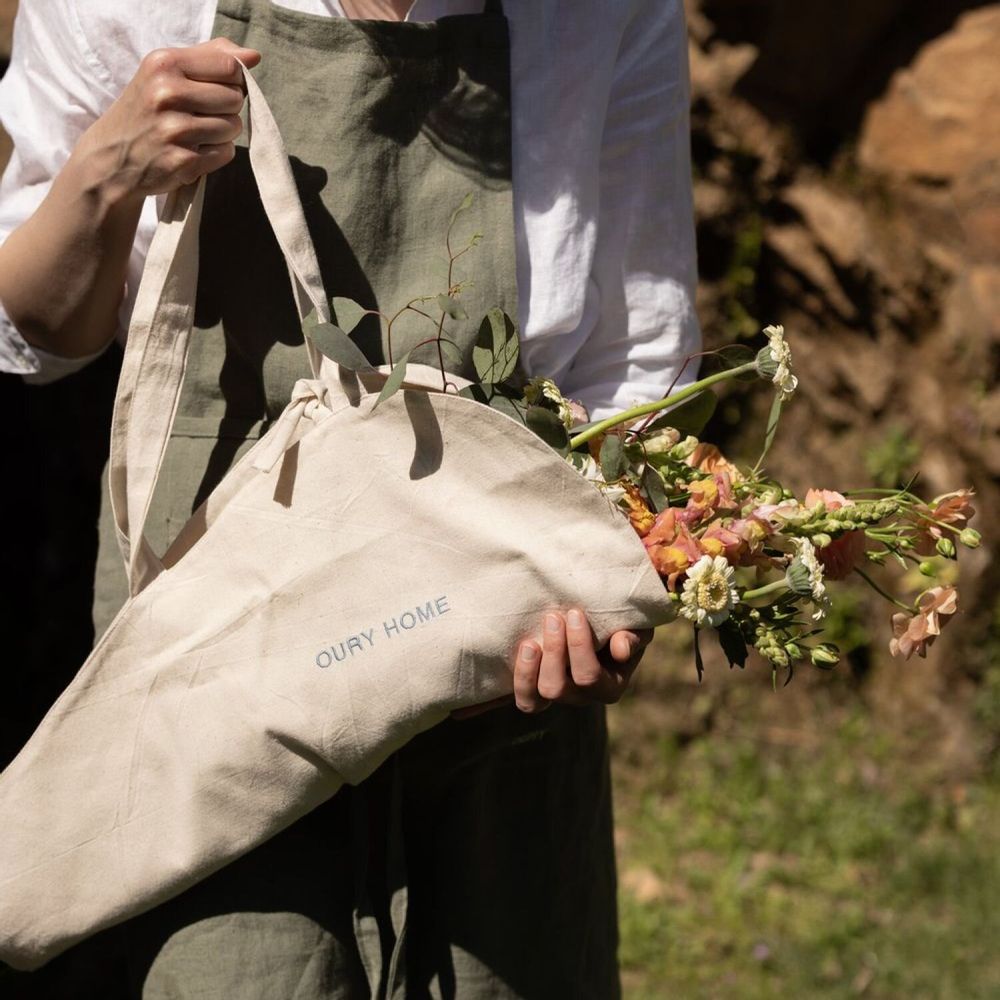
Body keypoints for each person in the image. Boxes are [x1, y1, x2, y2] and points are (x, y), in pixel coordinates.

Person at [0, 0, 700, 996]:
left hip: (495, 646)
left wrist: (605, 594)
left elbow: (632, 364)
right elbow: (42, 333)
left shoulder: (597, 13)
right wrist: (107, 169)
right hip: (220, 660)